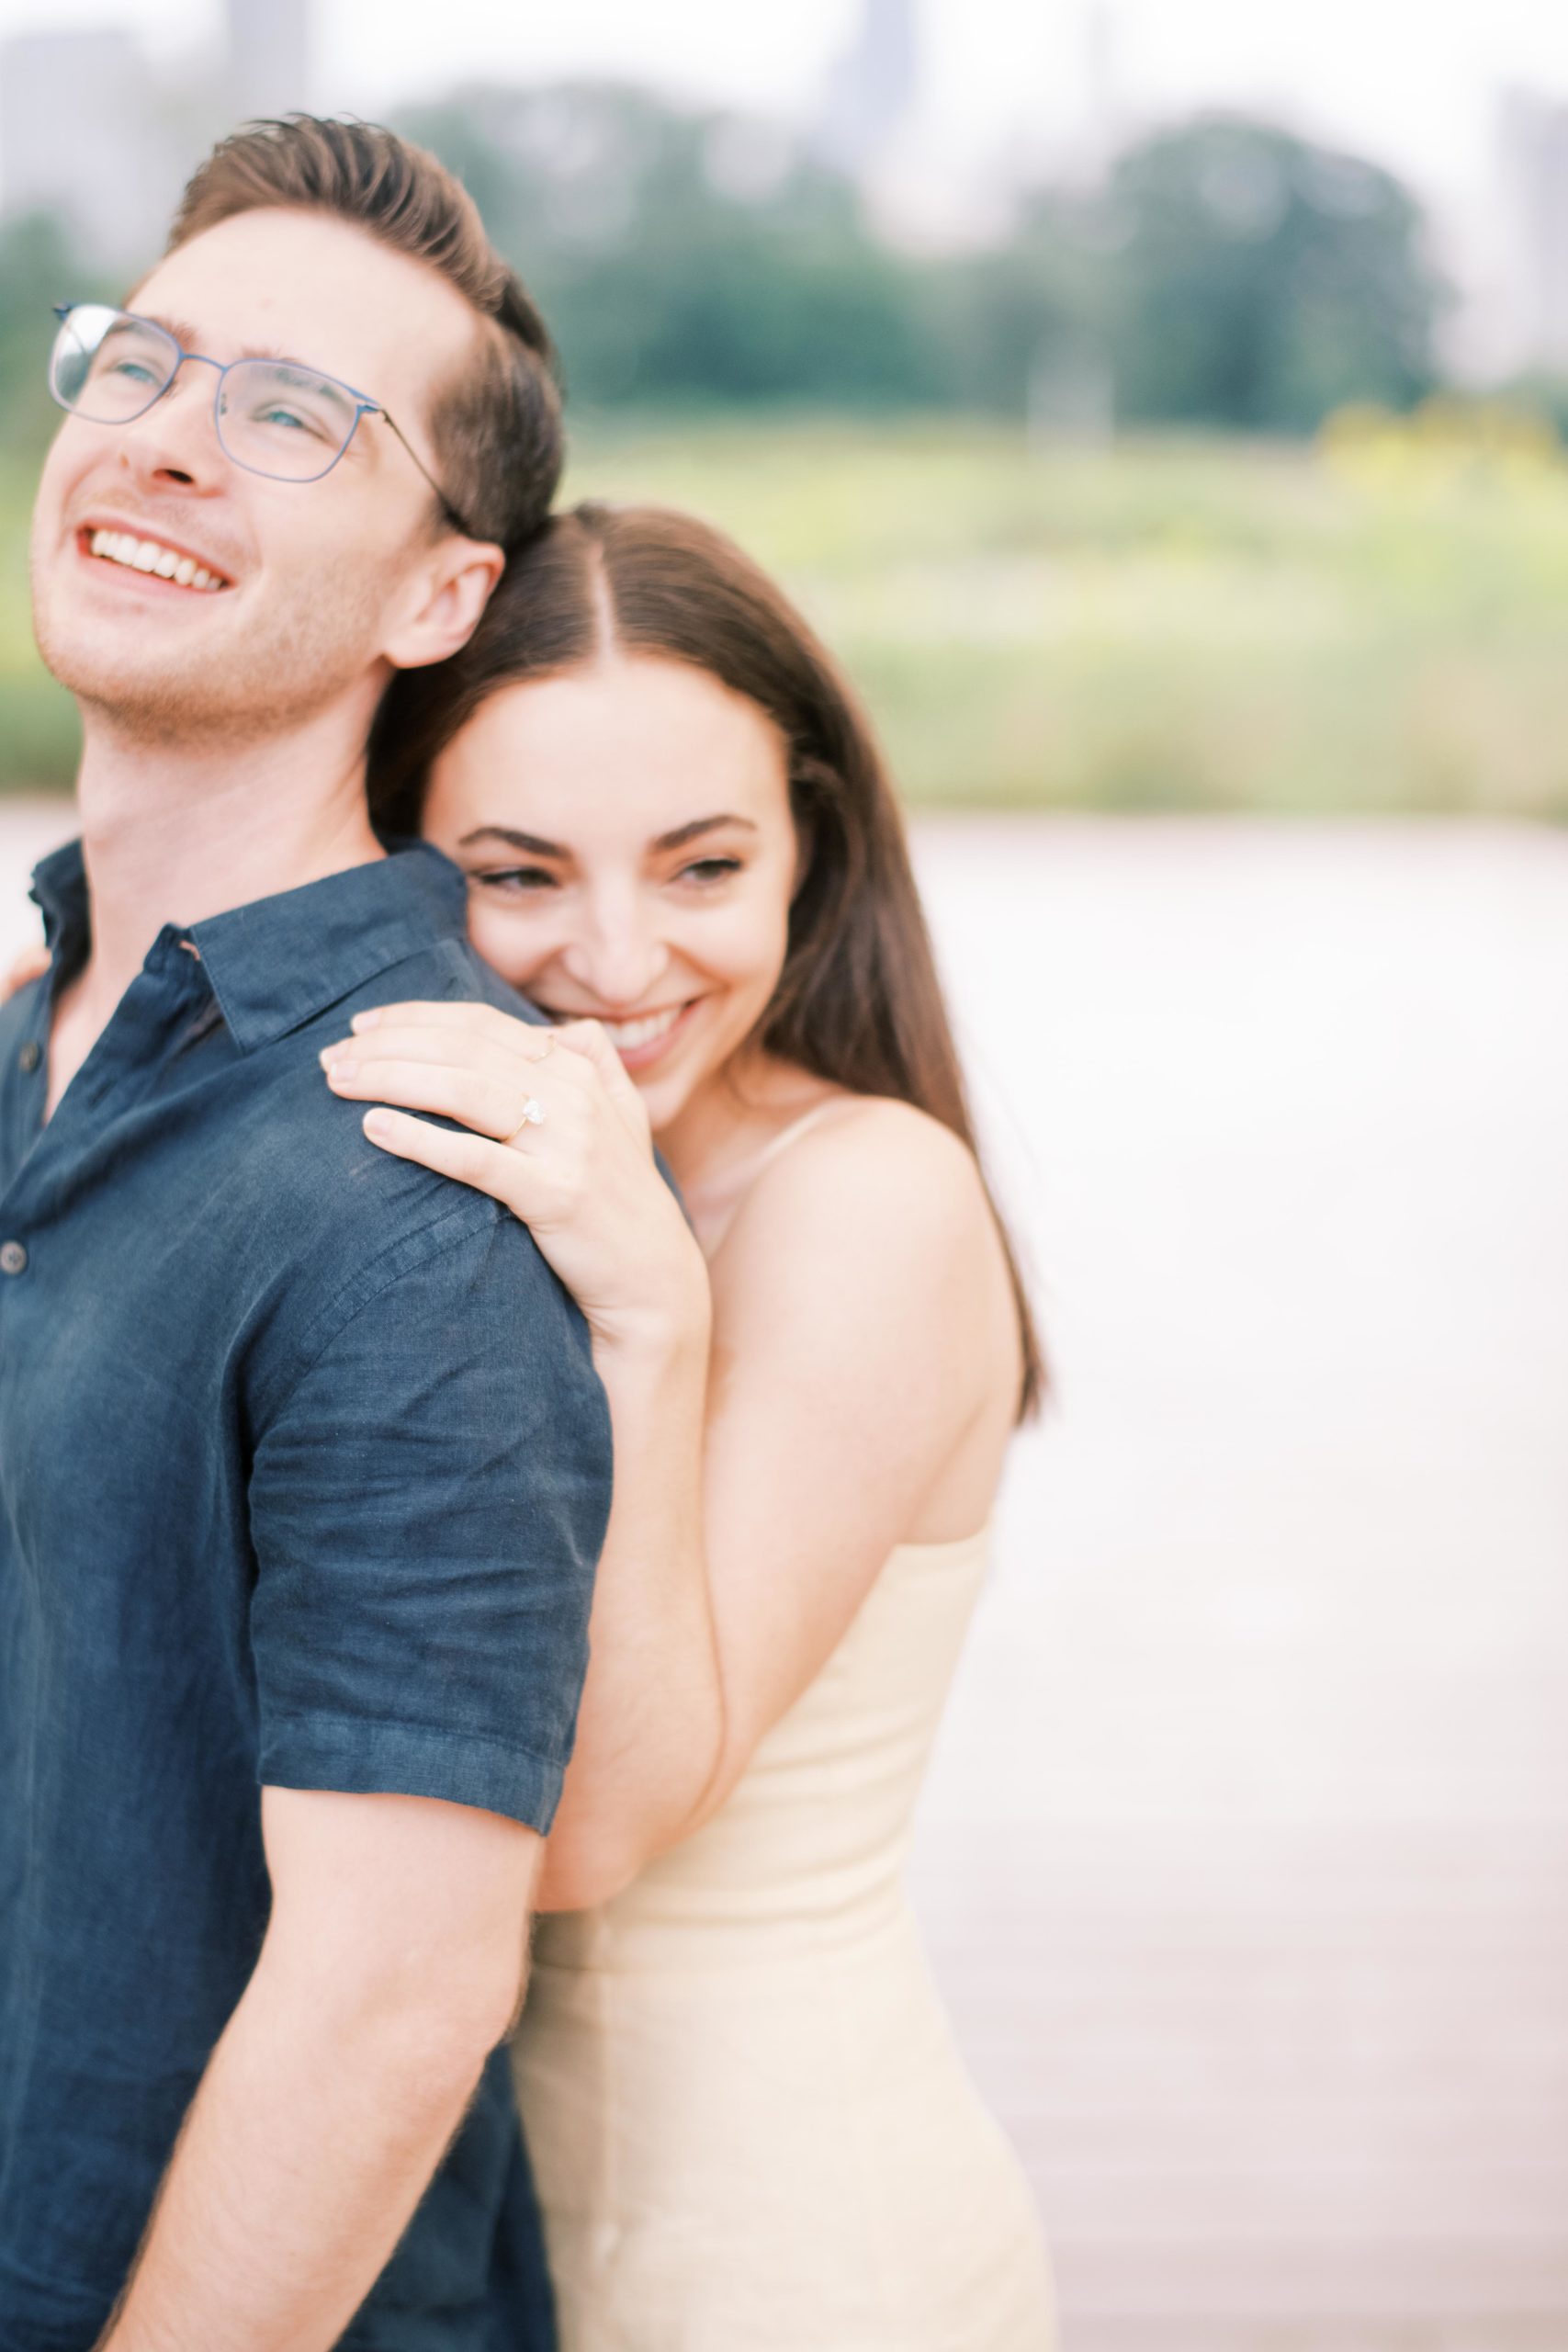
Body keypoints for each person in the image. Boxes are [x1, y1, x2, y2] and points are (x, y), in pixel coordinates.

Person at [0, 120, 612, 2352]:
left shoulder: (420, 1160)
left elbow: (394, 1991)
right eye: (144, 367)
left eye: (288, 417)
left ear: (436, 593)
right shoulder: (29, 1034)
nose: (166, 445)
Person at [320, 500, 1057, 2348]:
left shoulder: (859, 1198)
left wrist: (652, 1309)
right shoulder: (464, 1178)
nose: (620, 958)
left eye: (702, 864)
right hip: (462, 2231)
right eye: (518, 872)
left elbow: (578, 1835)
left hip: (769, 2243)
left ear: (809, 844)